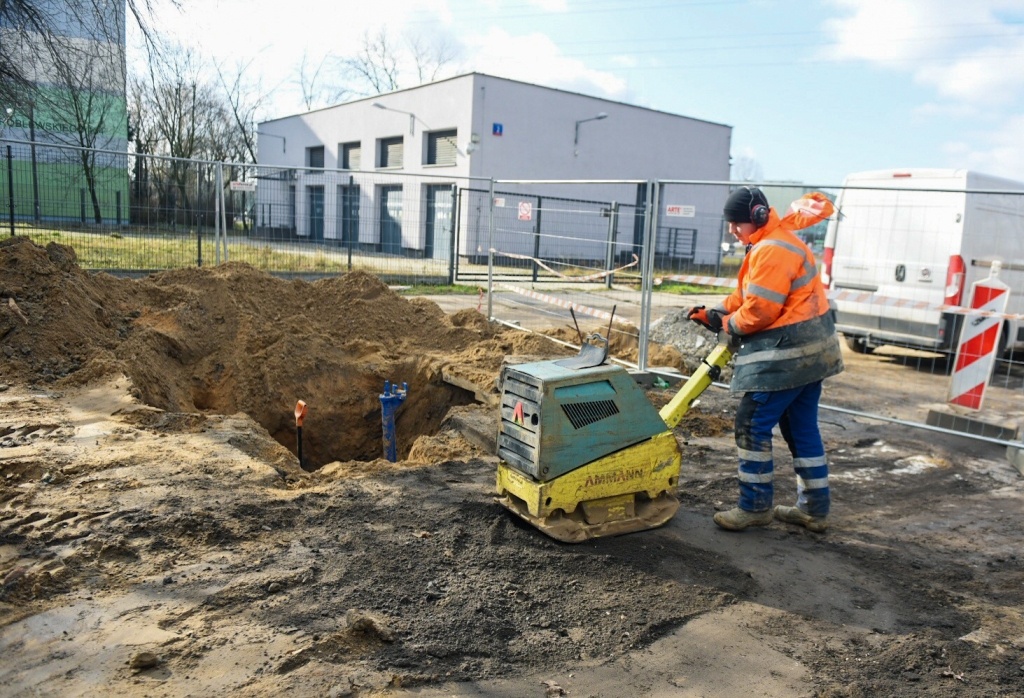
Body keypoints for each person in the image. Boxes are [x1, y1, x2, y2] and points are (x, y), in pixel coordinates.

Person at [688, 186, 843, 532]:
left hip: (789, 353)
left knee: (752, 422)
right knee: (800, 427)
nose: (732, 230)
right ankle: (814, 510)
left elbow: (759, 312)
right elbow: (747, 295)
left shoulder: (771, 249)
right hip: (812, 354)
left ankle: (755, 506)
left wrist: (727, 324)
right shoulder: (774, 241)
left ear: (756, 217)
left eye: (736, 223)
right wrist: (716, 311)